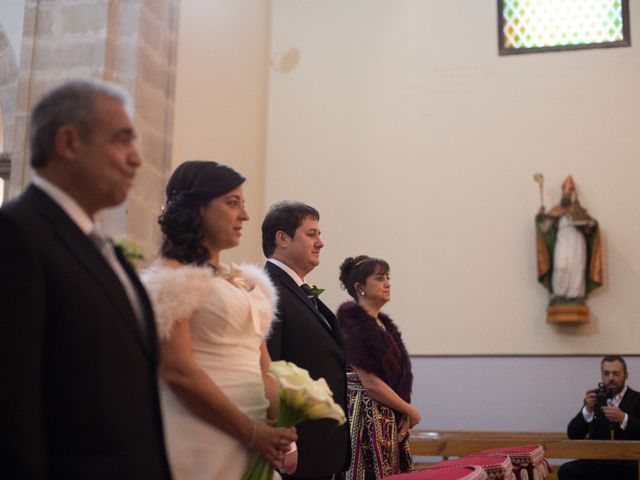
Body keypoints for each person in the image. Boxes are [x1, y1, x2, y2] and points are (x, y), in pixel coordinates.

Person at [0, 79, 172, 479]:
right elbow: (11, 407)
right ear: (69, 143)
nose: (136, 160)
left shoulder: (101, 248)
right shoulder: (15, 236)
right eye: (122, 140)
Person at [141, 161, 297, 479]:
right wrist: (250, 431)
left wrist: (282, 422)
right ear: (198, 208)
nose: (245, 215)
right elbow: (178, 371)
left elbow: (263, 362)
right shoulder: (169, 279)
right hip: (201, 431)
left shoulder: (242, 280)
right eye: (232, 203)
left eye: (243, 203)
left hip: (256, 434)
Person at [262, 201, 350, 479]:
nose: (320, 243)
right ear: (282, 238)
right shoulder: (269, 290)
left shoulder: (297, 291)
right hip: (299, 451)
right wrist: (286, 441)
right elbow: (267, 369)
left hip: (321, 450)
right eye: (311, 234)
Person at [336, 255, 418, 479]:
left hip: (387, 416)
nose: (387, 283)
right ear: (360, 287)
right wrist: (409, 410)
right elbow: (370, 383)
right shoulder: (354, 325)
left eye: (388, 278)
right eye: (380, 278)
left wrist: (402, 410)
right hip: (365, 417)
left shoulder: (380, 324)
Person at [558, 355, 640, 480]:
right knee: (566, 471)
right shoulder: (596, 399)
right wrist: (588, 410)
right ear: (602, 376)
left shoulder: (637, 399)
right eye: (606, 373)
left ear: (626, 375)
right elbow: (573, 433)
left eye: (616, 373)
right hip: (598, 461)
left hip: (628, 462)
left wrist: (624, 418)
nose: (610, 378)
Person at [535, 175, 602, 305]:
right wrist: (540, 217)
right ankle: (559, 294)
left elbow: (590, 227)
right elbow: (544, 229)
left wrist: (591, 225)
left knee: (577, 267)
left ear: (572, 195)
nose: (566, 197)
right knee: (561, 266)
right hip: (562, 240)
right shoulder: (556, 210)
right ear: (562, 195)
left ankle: (575, 296)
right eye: (564, 195)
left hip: (577, 240)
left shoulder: (579, 210)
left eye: (568, 194)